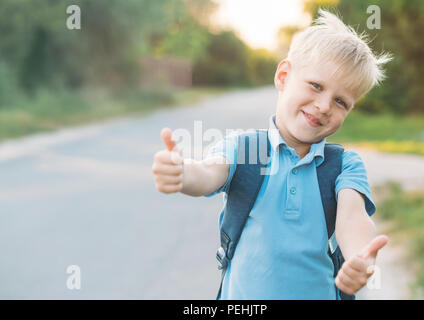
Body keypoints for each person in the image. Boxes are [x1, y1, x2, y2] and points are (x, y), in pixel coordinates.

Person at [152, 9, 391, 299]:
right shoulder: (245, 149)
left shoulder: (344, 166)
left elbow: (352, 219)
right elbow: (207, 174)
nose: (324, 105)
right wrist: (182, 172)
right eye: (316, 86)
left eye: (341, 101)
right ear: (283, 75)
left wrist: (360, 256)